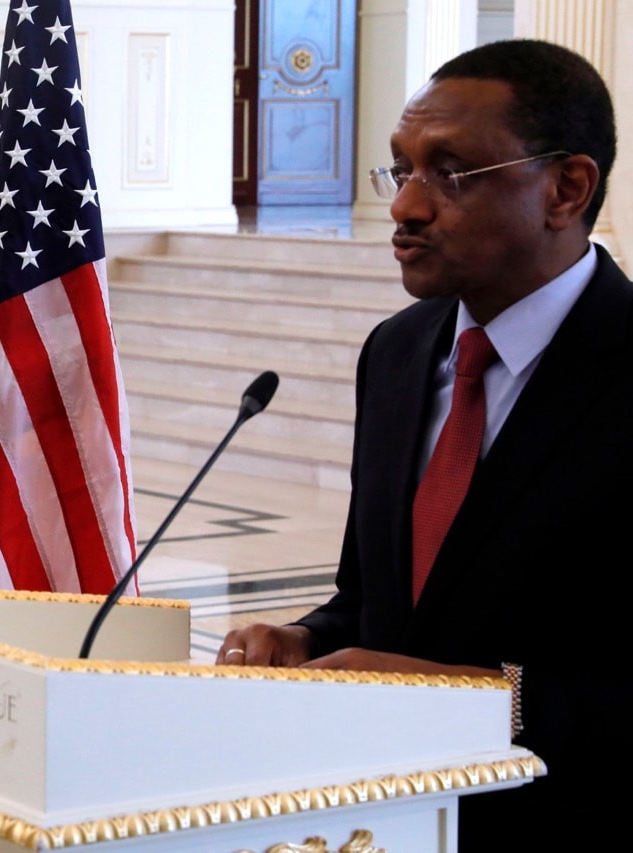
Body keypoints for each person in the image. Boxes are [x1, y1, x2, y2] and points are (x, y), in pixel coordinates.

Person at [215, 38, 627, 845]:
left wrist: (464, 692)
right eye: (400, 168)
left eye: (451, 172)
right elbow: (373, 603)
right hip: (386, 819)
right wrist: (305, 638)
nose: (405, 206)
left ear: (566, 188)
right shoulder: (398, 351)